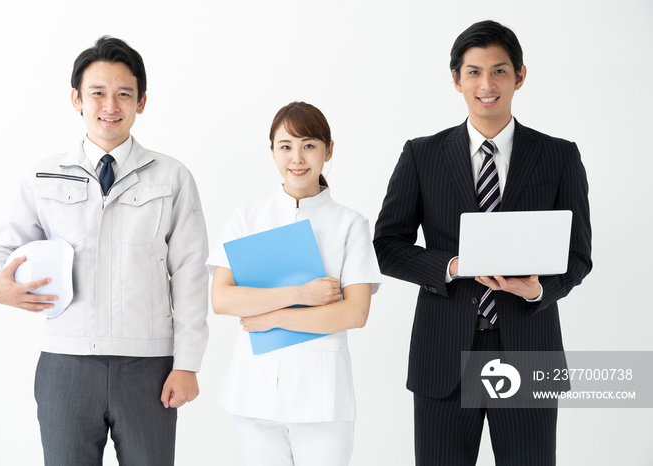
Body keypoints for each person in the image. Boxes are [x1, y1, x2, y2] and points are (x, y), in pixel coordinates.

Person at [0, 36, 209, 466]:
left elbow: (191, 272)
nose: (111, 105)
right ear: (76, 99)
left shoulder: (172, 176)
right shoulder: (43, 175)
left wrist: (188, 362)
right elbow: (0, 251)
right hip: (66, 364)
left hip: (150, 365)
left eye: (124, 94)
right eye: (97, 93)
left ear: (141, 102)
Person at [373, 20, 592, 466]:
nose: (486, 84)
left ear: (520, 76)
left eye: (499, 71)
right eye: (473, 72)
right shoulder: (422, 154)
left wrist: (537, 290)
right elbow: (388, 245)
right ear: (456, 80)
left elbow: (579, 257)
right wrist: (453, 266)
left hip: (528, 347)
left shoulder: (558, 155)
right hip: (445, 354)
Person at [207, 101, 382, 466]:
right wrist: (301, 295)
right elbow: (222, 299)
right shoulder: (246, 219)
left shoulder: (350, 224)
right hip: (253, 392)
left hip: (322, 397)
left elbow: (355, 312)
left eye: (309, 145)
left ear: (328, 150)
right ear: (272, 152)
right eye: (285, 146)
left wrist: (271, 317)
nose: (297, 158)